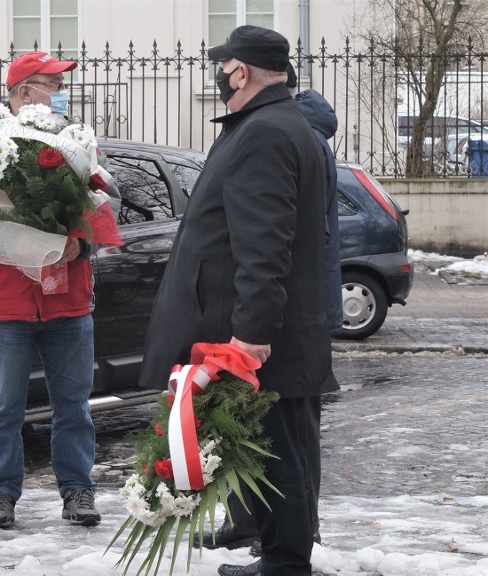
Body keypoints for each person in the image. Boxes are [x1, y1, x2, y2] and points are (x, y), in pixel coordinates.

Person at [137, 26, 338, 576]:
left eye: (221, 67)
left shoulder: (265, 132)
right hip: (266, 322)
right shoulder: (278, 124)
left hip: (244, 329)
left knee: (275, 450)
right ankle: (278, 551)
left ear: (239, 71)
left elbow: (263, 244)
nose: (219, 76)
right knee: (275, 448)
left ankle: (283, 561)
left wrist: (250, 335)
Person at [0, 51, 120, 529]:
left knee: (74, 407)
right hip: (4, 300)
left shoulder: (75, 139)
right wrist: (9, 237)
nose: (60, 94)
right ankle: (0, 494)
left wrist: (77, 246)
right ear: (24, 91)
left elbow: (108, 198)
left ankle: (78, 491)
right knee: (2, 408)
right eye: (51, 84)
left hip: (68, 297)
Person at [195, 63, 342, 557]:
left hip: (284, 314)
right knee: (266, 430)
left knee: (287, 435)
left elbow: (272, 241)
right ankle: (258, 530)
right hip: (288, 309)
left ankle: (291, 542)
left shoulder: (279, 135)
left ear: (245, 74)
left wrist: (256, 324)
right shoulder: (290, 130)